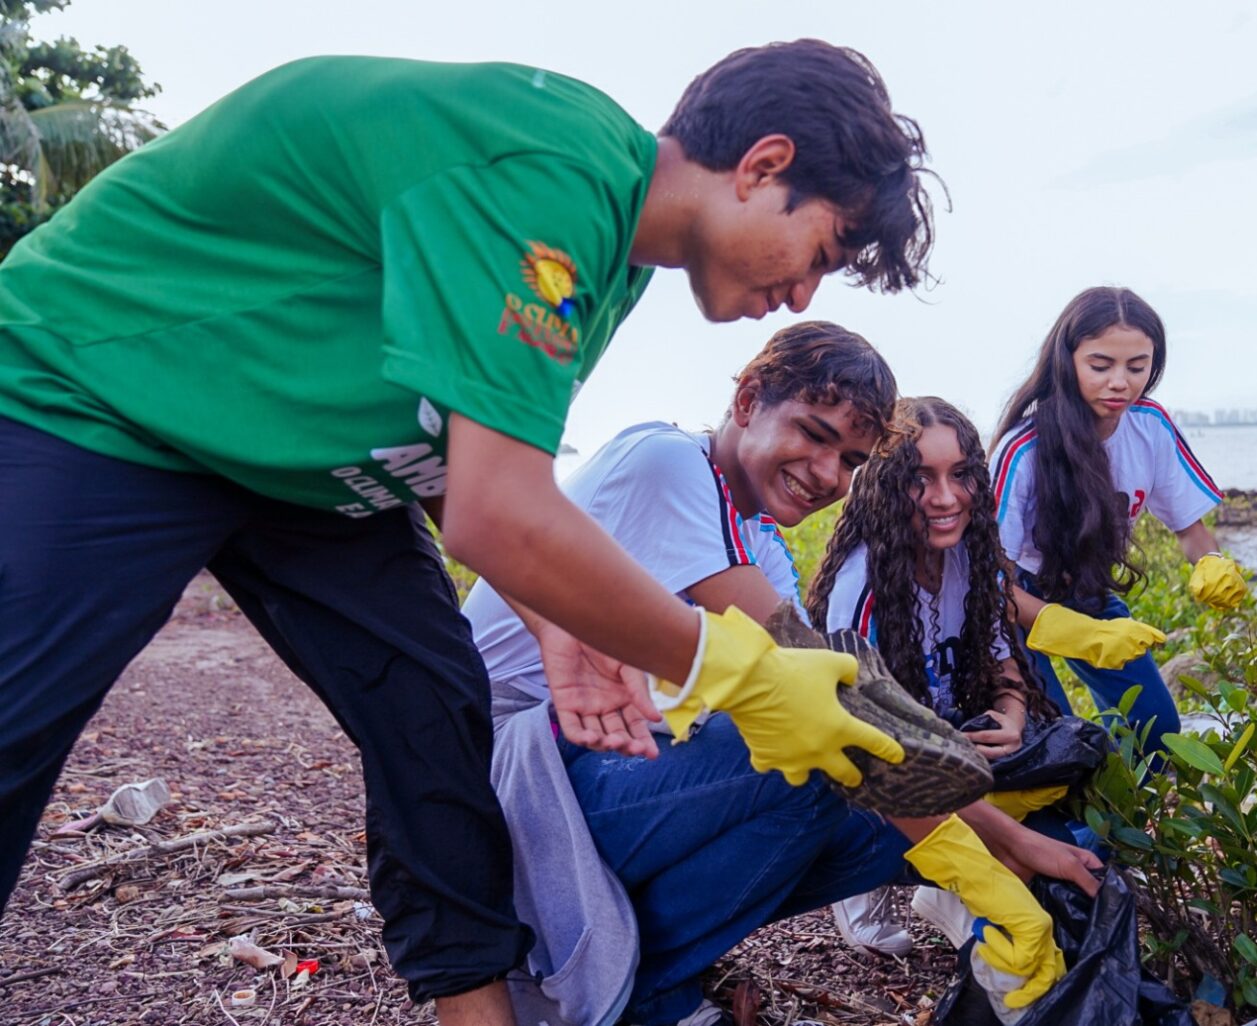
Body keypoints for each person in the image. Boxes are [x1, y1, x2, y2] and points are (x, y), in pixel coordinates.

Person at [0, 41, 938, 1025]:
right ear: (763, 166)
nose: (799, 298)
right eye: (821, 254)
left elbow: (457, 458)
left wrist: (553, 627)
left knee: (435, 719)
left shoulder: (610, 255)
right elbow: (499, 507)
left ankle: (478, 1008)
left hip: (298, 463)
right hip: (97, 388)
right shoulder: (554, 175)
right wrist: (740, 674)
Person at [464, 331, 1093, 1025]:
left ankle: (650, 978)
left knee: (875, 835)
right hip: (505, 774)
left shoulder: (760, 544)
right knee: (807, 762)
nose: (827, 473)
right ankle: (648, 998)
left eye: (850, 459)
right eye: (813, 435)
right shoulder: (666, 464)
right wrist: (989, 871)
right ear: (747, 400)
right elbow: (832, 712)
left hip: (605, 752)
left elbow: (845, 720)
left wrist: (1009, 842)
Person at [806, 396, 1081, 958]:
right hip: (879, 773)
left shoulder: (969, 559)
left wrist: (1010, 715)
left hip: (953, 750)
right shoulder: (862, 587)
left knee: (1072, 769)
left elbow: (1005, 659)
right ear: (883, 485)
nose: (945, 497)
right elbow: (866, 747)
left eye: (960, 475)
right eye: (919, 479)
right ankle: (879, 884)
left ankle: (943, 882)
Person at [988, 285, 1248, 749]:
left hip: (1087, 586)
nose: (1120, 383)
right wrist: (1070, 630)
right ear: (1067, 360)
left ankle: (1115, 819)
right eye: (1100, 365)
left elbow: (1189, 528)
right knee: (1047, 740)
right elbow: (986, 578)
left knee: (1155, 731)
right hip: (1012, 600)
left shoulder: (1151, 427)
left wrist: (1211, 563)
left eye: (1137, 366)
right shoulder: (1022, 449)